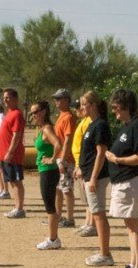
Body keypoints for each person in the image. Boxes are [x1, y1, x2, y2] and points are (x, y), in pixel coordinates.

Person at [104, 89, 138, 268]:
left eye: (116, 107)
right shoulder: (127, 126)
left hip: (130, 181)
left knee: (134, 225)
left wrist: (117, 159)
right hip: (122, 181)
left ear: (126, 106)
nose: (114, 111)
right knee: (129, 225)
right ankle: (132, 266)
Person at [79, 91, 114, 267]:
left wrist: (93, 177)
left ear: (93, 106)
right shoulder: (92, 124)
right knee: (96, 213)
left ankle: (105, 254)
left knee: (99, 214)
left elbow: (101, 153)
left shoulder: (100, 125)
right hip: (88, 175)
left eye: (83, 104)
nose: (81, 108)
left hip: (97, 177)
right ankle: (103, 251)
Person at [30, 101, 63, 250]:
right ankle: (53, 238)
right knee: (49, 204)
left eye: (35, 112)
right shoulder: (42, 128)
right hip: (46, 170)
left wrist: (52, 159)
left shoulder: (47, 128)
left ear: (43, 112)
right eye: (32, 113)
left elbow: (58, 144)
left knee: (49, 206)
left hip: (49, 170)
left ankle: (53, 239)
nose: (33, 115)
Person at [0, 88, 26, 218]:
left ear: (15, 99)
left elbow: (16, 135)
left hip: (13, 155)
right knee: (11, 181)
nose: (5, 100)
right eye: (4, 98)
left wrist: (10, 152)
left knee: (16, 181)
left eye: (8, 98)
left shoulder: (17, 114)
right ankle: (16, 207)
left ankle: (19, 209)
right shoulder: (8, 113)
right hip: (4, 155)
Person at [71, 99, 96, 237]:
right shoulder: (83, 122)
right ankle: (88, 222)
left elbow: (85, 147)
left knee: (89, 196)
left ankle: (92, 224)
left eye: (79, 108)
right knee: (85, 197)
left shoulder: (88, 122)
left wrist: (80, 165)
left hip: (84, 163)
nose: (77, 110)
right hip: (79, 162)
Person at [52, 88, 77, 228]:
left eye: (59, 98)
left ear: (67, 100)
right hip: (61, 157)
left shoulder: (68, 117)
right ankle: (59, 216)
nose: (56, 101)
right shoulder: (61, 116)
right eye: (56, 98)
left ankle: (70, 218)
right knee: (59, 188)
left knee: (66, 188)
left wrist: (62, 159)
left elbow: (68, 140)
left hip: (66, 158)